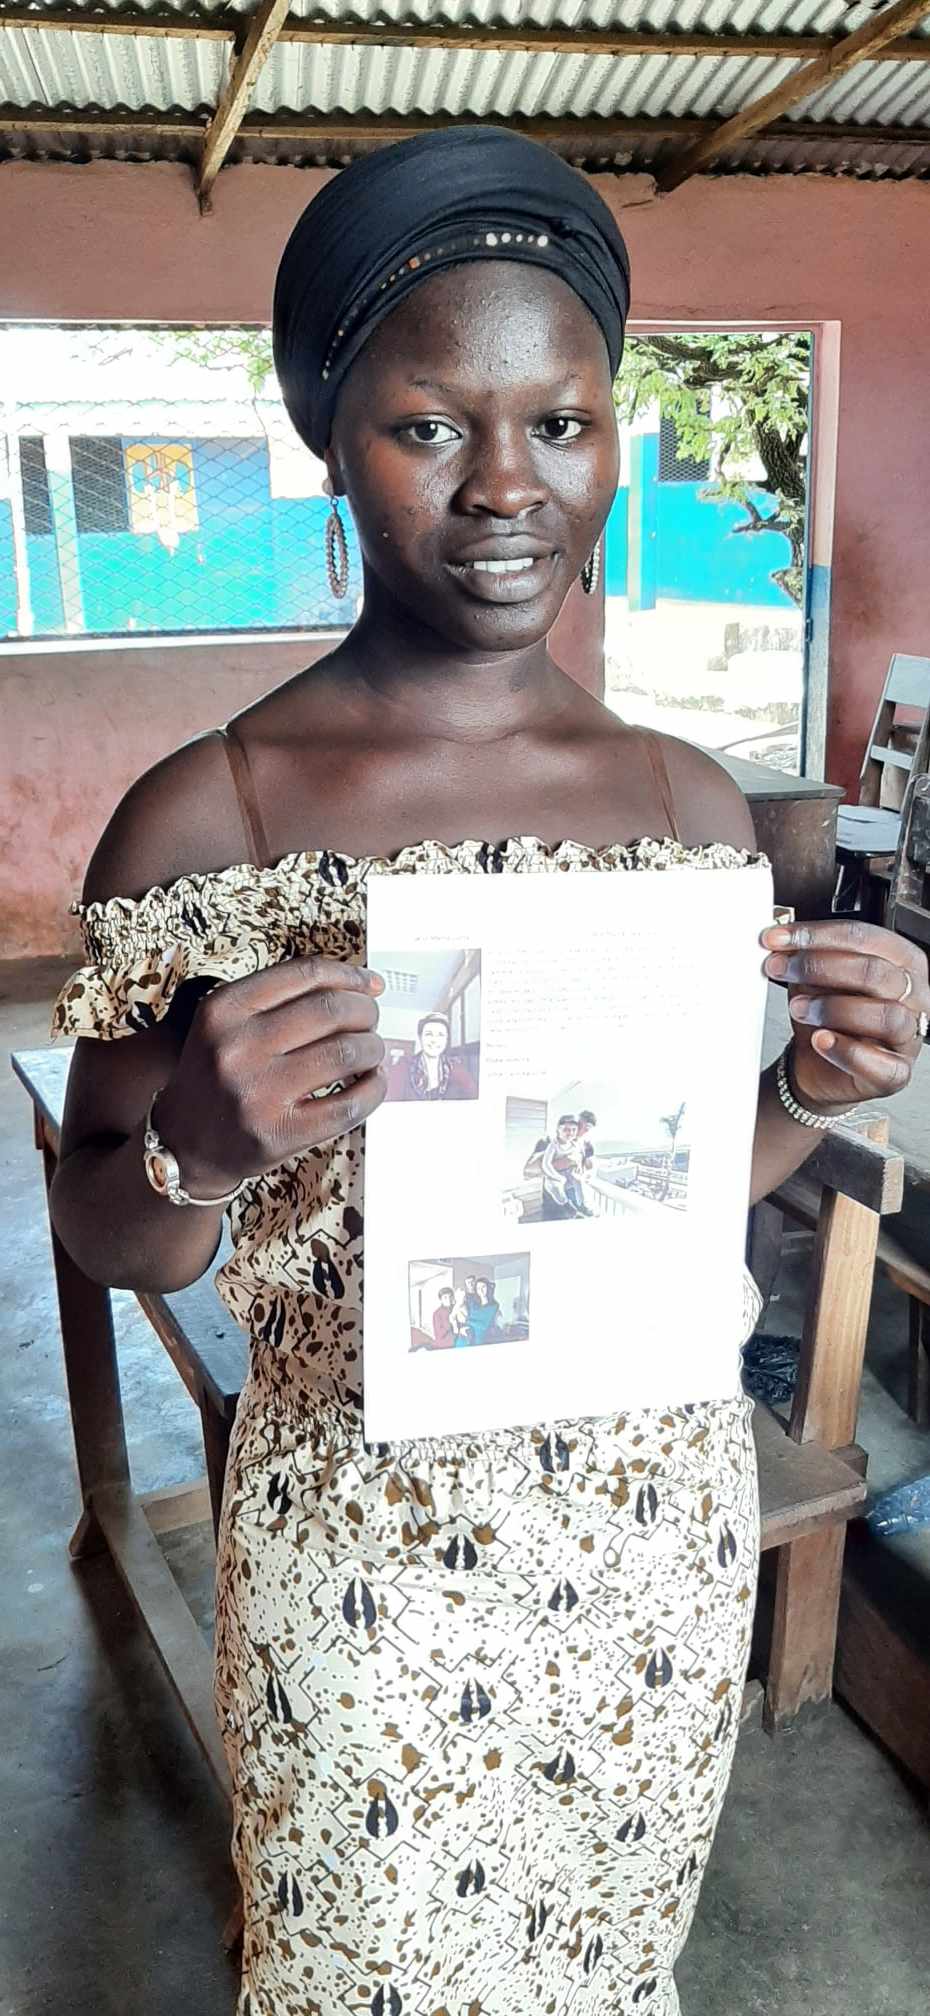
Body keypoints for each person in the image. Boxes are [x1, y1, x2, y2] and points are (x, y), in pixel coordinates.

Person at [47, 126, 927, 2016]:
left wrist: (813, 1090)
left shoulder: (684, 807)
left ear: (612, 437)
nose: (506, 485)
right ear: (329, 438)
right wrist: (201, 1143)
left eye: (563, 422)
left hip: (646, 1539)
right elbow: (110, 1237)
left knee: (607, 1965)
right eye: (430, 425)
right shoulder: (211, 818)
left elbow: (641, 1197)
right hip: (367, 1561)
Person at [386, 1010, 477, 1101]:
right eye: (429, 1034)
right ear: (420, 1037)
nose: (434, 1040)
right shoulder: (403, 1067)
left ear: (446, 1040)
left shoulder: (457, 1069)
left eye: (440, 1035)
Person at [541, 1115, 589, 1219]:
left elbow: (578, 1158)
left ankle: (582, 1205)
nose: (570, 1133)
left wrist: (579, 1165)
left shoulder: (574, 1145)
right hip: (554, 1175)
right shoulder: (554, 1145)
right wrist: (558, 1177)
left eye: (573, 1130)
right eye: (566, 1130)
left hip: (569, 1173)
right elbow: (546, 1164)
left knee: (579, 1182)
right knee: (556, 1187)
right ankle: (568, 1207)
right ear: (558, 1130)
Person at [469, 1275, 502, 1345]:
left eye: (483, 1287)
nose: (481, 1290)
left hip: (484, 1339)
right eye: (478, 1288)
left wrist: (467, 1321)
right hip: (470, 1337)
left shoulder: (494, 1305)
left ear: (488, 1287)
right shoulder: (473, 1304)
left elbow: (484, 1325)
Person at [431, 1285, 455, 1349]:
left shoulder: (455, 1308)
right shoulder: (437, 1313)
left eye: (450, 1297)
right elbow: (439, 1334)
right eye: (445, 1297)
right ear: (441, 1300)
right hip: (444, 1345)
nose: (448, 1299)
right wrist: (450, 1322)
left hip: (457, 1340)